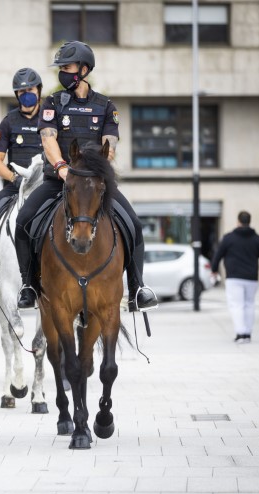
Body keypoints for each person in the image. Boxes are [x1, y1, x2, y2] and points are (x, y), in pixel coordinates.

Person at [14, 41, 158, 311]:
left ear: (83, 69)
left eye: (66, 68)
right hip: (57, 180)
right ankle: (29, 284)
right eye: (61, 69)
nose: (62, 73)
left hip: (94, 186)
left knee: (134, 225)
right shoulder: (52, 102)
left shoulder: (105, 106)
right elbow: (48, 138)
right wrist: (61, 167)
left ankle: (137, 288)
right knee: (23, 222)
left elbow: (110, 145)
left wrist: (92, 173)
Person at [0, 68, 44, 297]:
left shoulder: (50, 118)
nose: (27, 94)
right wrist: (14, 179)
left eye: (30, 90)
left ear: (39, 91)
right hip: (15, 187)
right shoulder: (8, 121)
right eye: (21, 91)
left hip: (47, 186)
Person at [211, 211, 259, 343]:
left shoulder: (228, 238)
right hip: (251, 278)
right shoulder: (257, 238)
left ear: (238, 221)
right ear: (249, 222)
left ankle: (240, 333)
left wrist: (214, 270)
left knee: (237, 305)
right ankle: (248, 333)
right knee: (249, 305)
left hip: (234, 277)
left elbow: (218, 255)